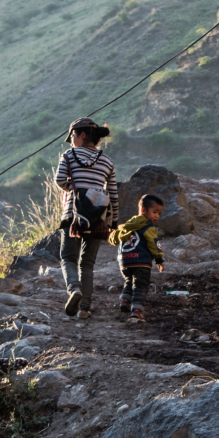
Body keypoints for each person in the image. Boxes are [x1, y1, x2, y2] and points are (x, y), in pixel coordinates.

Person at [57, 118, 119, 319]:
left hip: (73, 217)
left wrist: (74, 188)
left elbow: (59, 180)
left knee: (68, 257)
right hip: (98, 220)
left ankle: (74, 289)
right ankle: (84, 309)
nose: (72, 141)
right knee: (88, 264)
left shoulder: (68, 156)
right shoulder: (107, 161)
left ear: (82, 135)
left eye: (73, 136)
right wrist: (112, 223)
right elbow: (113, 195)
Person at [110, 194, 168, 321]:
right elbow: (153, 243)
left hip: (124, 262)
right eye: (154, 212)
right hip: (141, 261)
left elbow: (113, 238)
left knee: (129, 280)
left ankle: (125, 300)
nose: (157, 216)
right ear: (143, 210)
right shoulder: (148, 227)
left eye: (159, 213)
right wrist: (159, 259)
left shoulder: (127, 226)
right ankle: (137, 310)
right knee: (140, 284)